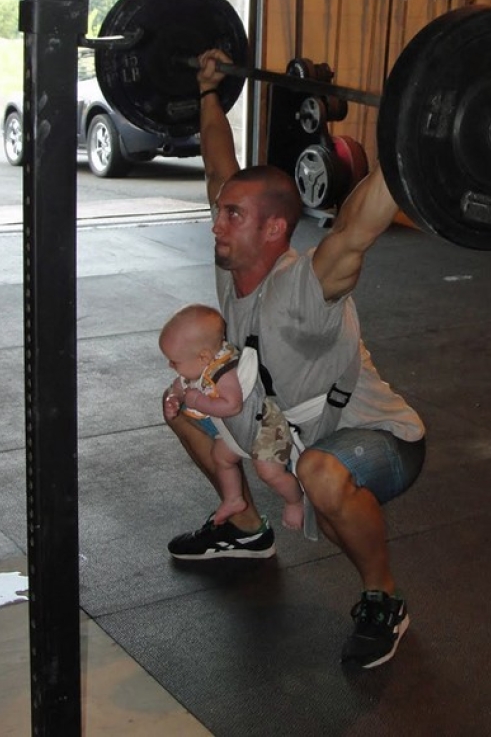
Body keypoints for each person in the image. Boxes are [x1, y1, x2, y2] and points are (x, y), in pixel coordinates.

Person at [164, 49, 426, 670]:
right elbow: (218, 166)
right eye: (221, 212)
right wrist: (209, 91)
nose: (216, 225)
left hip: (381, 437)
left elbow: (358, 226)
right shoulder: (236, 265)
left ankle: (382, 600)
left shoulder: (307, 283)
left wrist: (414, 132)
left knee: (321, 475)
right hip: (293, 430)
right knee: (181, 407)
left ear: (276, 230)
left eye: (232, 216)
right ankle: (245, 527)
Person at [159, 302, 304, 530]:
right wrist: (173, 398)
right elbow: (179, 386)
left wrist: (199, 401)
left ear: (204, 357)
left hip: (263, 428)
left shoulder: (226, 371)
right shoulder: (199, 367)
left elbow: (232, 406)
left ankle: (295, 500)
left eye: (174, 361)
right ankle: (234, 498)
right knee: (221, 458)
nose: (170, 365)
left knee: (269, 473)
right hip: (235, 430)